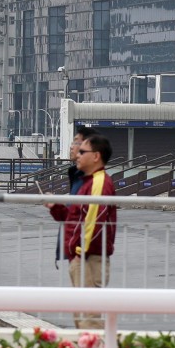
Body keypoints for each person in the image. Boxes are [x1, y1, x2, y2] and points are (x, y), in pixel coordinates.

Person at [49, 134, 117, 329]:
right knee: (83, 319)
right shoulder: (88, 183)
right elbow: (74, 217)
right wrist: (56, 207)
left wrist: (79, 252)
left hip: (88, 258)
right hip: (82, 257)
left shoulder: (99, 183)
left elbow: (94, 222)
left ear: (96, 156)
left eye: (82, 151)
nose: (77, 155)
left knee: (89, 320)